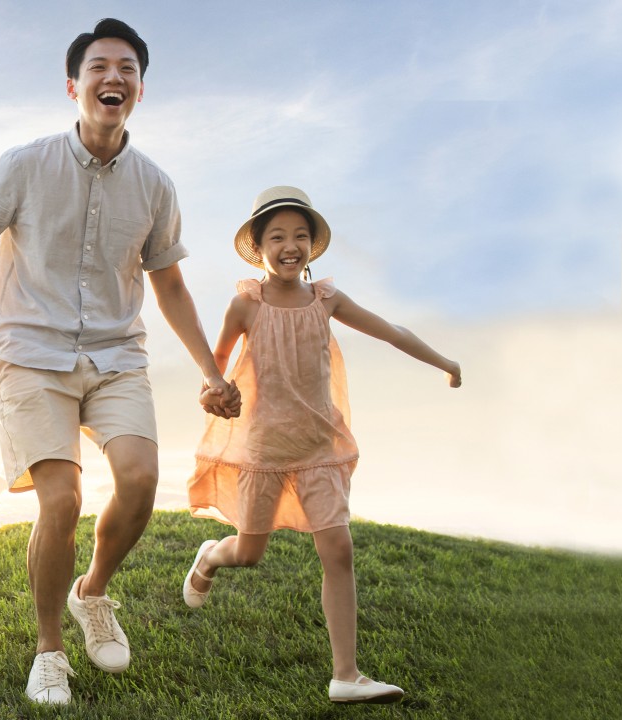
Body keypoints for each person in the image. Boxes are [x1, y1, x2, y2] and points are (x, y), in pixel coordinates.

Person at [0, 18, 240, 705]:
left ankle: (92, 592)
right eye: (99, 66)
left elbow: (171, 284)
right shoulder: (23, 164)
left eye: (126, 68)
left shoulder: (155, 185)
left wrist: (212, 373)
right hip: (32, 354)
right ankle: (49, 650)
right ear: (74, 85)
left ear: (141, 90)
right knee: (60, 499)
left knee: (141, 477)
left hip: (117, 354)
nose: (112, 77)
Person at [182, 186, 463, 704]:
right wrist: (213, 391)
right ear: (259, 246)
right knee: (248, 552)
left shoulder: (326, 300)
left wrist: (445, 362)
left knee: (338, 550)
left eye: (300, 236)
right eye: (278, 237)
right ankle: (209, 558)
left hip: (318, 448)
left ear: (312, 245)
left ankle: (346, 675)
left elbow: (391, 332)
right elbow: (212, 368)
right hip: (264, 450)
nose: (290, 245)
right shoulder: (247, 303)